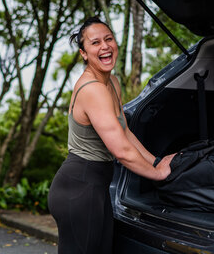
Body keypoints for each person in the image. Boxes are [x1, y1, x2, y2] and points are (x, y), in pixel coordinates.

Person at [48, 16, 175, 254]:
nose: (105, 46)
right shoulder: (93, 90)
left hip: (96, 186)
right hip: (78, 187)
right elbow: (121, 151)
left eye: (109, 39)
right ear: (84, 53)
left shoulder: (111, 82)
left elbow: (124, 132)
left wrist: (155, 161)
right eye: (95, 43)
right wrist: (157, 173)